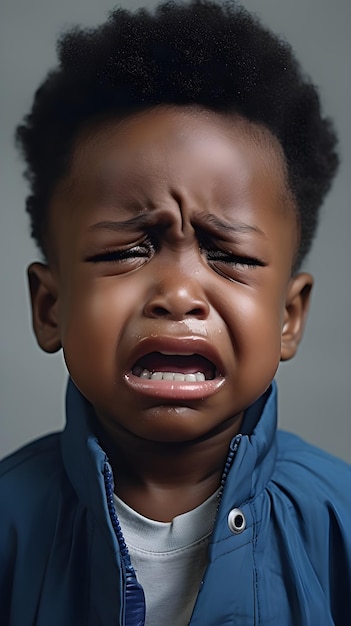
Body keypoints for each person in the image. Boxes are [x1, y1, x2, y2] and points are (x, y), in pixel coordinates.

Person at [1, 1, 350, 624]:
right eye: (127, 250)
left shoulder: (338, 518)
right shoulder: (10, 521)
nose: (179, 293)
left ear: (289, 317)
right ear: (50, 307)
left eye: (227, 254)